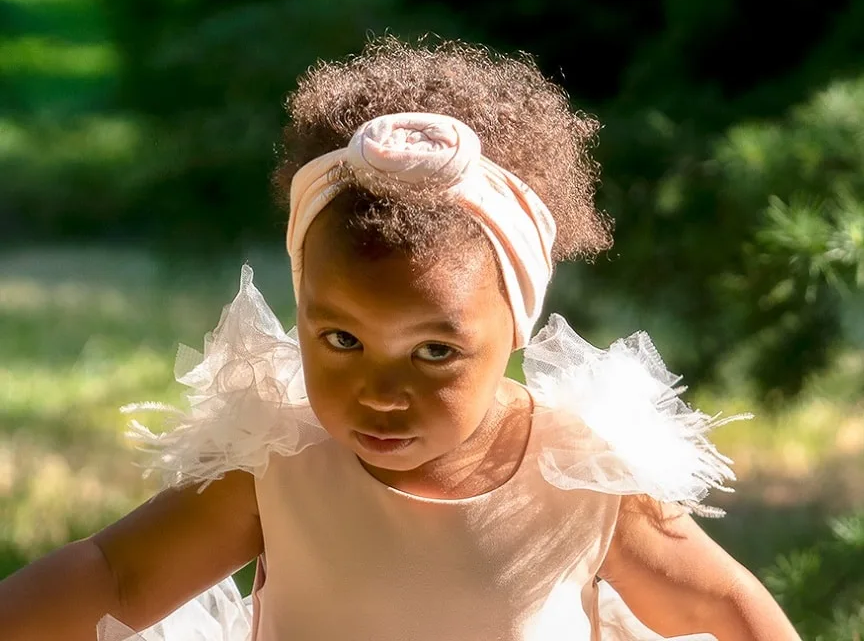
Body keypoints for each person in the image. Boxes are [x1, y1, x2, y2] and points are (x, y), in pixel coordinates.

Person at [0, 35, 801, 641]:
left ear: (513, 327)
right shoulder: (280, 470)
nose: (382, 391)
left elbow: (720, 603)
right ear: (301, 311)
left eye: (435, 352)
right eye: (342, 340)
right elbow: (116, 572)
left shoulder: (578, 478)